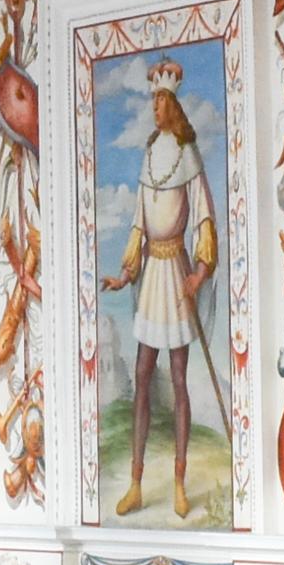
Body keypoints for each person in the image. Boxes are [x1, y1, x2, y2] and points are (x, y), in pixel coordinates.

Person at [110, 69, 218, 516]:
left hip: (175, 271)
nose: (154, 107)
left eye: (159, 101)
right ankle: (135, 483)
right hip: (152, 270)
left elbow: (205, 221)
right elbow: (139, 220)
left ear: (172, 105)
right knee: (140, 376)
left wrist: (200, 272)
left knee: (176, 379)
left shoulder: (188, 155)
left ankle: (178, 482)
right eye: (152, 100)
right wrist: (126, 270)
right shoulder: (150, 153)